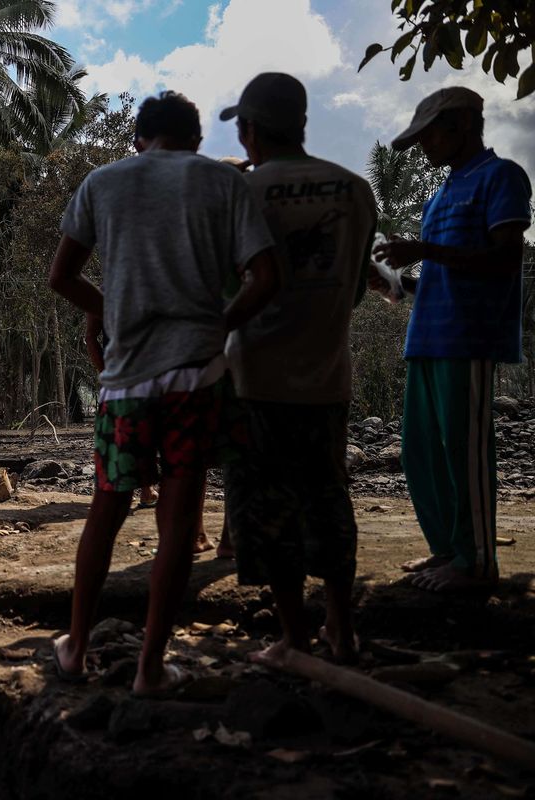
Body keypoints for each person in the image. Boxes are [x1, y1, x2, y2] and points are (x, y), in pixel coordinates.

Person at [48, 90, 278, 695]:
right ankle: (151, 666)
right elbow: (266, 276)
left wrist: (106, 311)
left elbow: (61, 277)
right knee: (179, 520)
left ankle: (74, 648)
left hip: (125, 381)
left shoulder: (103, 183)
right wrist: (219, 324)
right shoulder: (222, 183)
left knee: (107, 508)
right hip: (196, 378)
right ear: (199, 139)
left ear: (137, 139)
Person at [219, 73, 377, 665]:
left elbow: (226, 284)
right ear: (303, 124)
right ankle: (342, 626)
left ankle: (294, 635)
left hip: (256, 380)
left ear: (251, 130)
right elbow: (359, 289)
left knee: (268, 512)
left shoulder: (243, 193)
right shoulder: (354, 189)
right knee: (329, 498)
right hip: (327, 376)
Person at [374, 87, 532, 594]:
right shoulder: (439, 193)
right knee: (420, 452)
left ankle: (477, 562)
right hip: (427, 337)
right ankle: (448, 550)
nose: (424, 146)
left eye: (429, 135)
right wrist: (399, 283)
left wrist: (424, 250)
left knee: (465, 451)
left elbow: (507, 260)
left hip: (469, 337)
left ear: (461, 125)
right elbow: (446, 270)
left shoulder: (501, 176)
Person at [84, 313, 159, 512]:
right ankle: (140, 491)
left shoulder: (111, 289)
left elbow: (90, 336)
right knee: (131, 434)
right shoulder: (109, 290)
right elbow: (90, 336)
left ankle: (144, 490)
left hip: (139, 373)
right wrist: (104, 372)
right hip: (129, 374)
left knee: (137, 434)